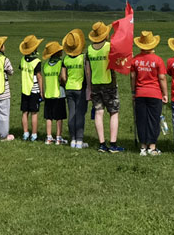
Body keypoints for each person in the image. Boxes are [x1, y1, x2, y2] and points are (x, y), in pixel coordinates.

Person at [86, 21, 123, 153]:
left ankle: (102, 144)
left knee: (98, 113)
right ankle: (113, 144)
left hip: (95, 84)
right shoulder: (109, 47)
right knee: (113, 112)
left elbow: (88, 71)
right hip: (109, 84)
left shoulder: (89, 50)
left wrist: (89, 88)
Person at [129, 31, 167, 155]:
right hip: (155, 94)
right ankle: (152, 147)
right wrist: (165, 93)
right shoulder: (158, 60)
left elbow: (132, 76)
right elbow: (162, 78)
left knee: (141, 120)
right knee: (153, 120)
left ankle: (143, 147)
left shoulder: (135, 60)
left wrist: (133, 91)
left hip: (140, 93)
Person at [60, 29, 88, 149]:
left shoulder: (65, 59)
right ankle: (80, 140)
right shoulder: (83, 57)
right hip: (80, 88)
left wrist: (67, 83)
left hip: (69, 88)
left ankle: (72, 139)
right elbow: (87, 73)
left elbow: (63, 76)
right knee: (80, 114)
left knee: (71, 113)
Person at [18, 34, 44, 142]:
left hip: (24, 89)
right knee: (34, 112)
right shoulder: (36, 61)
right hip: (34, 89)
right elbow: (39, 77)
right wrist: (41, 92)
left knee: (24, 112)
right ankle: (34, 134)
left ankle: (25, 133)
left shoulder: (23, 60)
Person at [40, 42, 67, 145]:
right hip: (59, 93)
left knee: (49, 117)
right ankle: (59, 137)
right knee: (59, 117)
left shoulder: (46, 65)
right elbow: (62, 78)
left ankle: (48, 137)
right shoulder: (61, 63)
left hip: (48, 93)